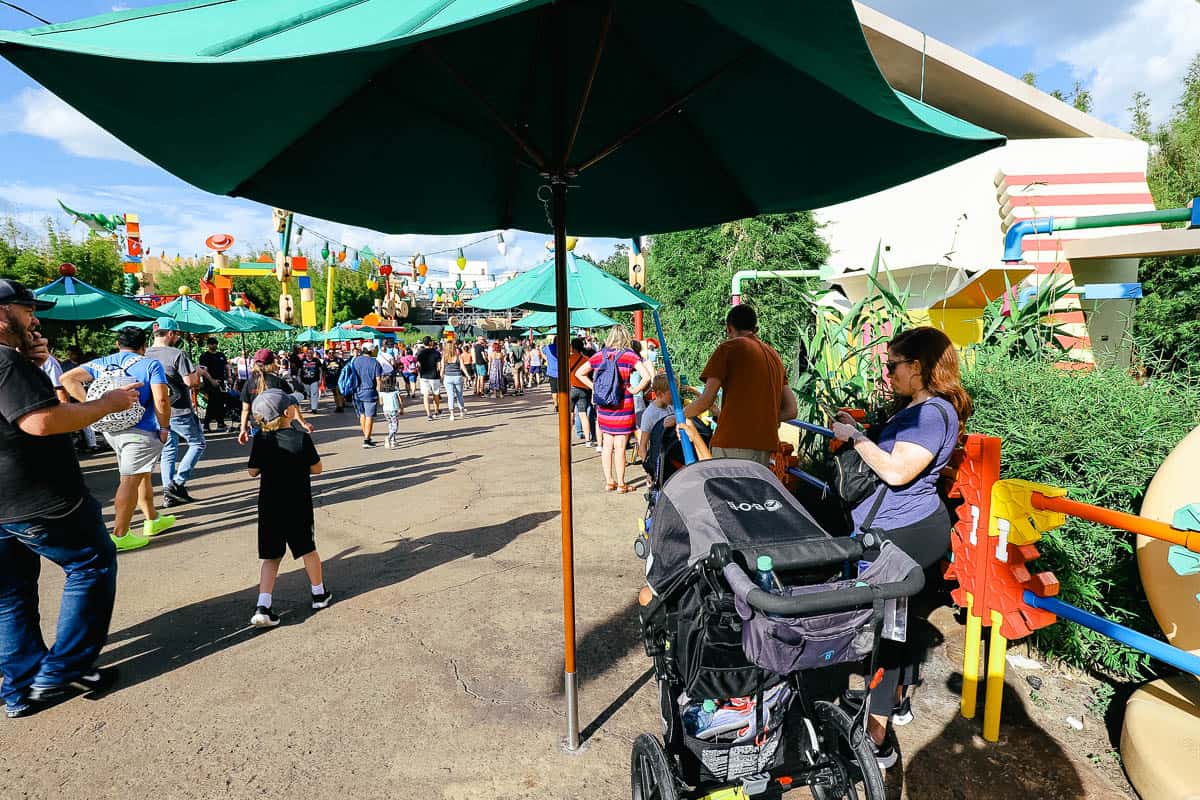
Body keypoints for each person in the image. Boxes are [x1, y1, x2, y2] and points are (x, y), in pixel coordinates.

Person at [0, 279, 144, 718]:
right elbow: (40, 422)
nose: (35, 318)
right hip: (38, 497)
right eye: (26, 310)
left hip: (6, 504)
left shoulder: (13, 361)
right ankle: (62, 671)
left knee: (10, 594)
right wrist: (109, 404)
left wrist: (32, 364)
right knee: (91, 564)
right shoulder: (4, 361)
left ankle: (20, 689)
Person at [829, 326, 970, 768]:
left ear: (919, 367)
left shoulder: (930, 414)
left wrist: (856, 439)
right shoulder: (919, 407)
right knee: (902, 621)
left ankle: (878, 738)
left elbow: (895, 472)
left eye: (893, 365)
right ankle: (900, 703)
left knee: (886, 629)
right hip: (905, 528)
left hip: (901, 533)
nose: (887, 373)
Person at [61, 325, 176, 552]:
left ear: (117, 344)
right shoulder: (150, 364)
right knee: (130, 479)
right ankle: (120, 534)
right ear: (143, 346)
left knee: (141, 473)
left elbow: (67, 378)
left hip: (111, 429)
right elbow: (161, 400)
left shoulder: (100, 363)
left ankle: (152, 518)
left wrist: (92, 404)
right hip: (141, 430)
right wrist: (165, 427)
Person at [245, 390, 332, 628]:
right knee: (308, 549)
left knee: (271, 556)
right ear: (287, 412)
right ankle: (318, 593)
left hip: (270, 505)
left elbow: (252, 471)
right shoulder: (300, 438)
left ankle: (263, 605)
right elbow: (317, 469)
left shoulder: (261, 439)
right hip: (297, 503)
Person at [683, 305, 796, 465]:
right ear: (755, 328)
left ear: (729, 329)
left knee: (726, 490)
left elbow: (706, 400)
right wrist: (760, 418)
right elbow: (791, 410)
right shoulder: (774, 356)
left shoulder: (728, 349)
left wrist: (678, 416)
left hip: (732, 442)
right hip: (765, 445)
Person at [574, 325, 653, 492]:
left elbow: (579, 373)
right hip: (623, 405)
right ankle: (621, 483)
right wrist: (635, 389)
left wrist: (595, 387)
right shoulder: (629, 356)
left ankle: (609, 481)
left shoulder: (599, 355)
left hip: (604, 406)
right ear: (625, 337)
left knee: (607, 445)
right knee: (620, 446)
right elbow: (646, 376)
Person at [145, 318, 207, 509]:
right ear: (170, 334)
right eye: (177, 334)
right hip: (179, 408)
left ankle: (168, 494)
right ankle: (177, 483)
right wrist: (197, 371)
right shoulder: (177, 354)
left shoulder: (144, 354)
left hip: (155, 410)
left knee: (168, 451)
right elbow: (191, 383)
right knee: (197, 443)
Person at [238, 349, 313, 445]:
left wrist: (243, 429)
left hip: (258, 426)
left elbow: (245, 410)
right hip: (281, 425)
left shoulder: (249, 383)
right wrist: (303, 423)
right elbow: (293, 404)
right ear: (273, 362)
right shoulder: (278, 382)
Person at [350, 340, 384, 448]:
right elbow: (378, 380)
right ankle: (366, 440)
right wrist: (380, 395)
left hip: (357, 391)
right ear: (370, 351)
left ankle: (366, 436)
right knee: (369, 416)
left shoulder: (355, 361)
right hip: (369, 391)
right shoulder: (375, 362)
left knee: (362, 414)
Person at [637, 374, 675, 462]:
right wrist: (648, 466)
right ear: (659, 394)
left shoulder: (671, 407)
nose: (675, 396)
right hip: (659, 456)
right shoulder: (649, 414)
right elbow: (643, 445)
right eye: (672, 393)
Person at [567, 337, 595, 447]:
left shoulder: (568, 359)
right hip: (583, 389)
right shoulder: (587, 360)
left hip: (571, 389)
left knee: (570, 415)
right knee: (583, 414)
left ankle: (568, 440)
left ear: (572, 347)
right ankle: (588, 440)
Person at [197, 338, 230, 433]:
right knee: (212, 403)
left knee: (219, 403)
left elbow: (226, 366)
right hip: (210, 383)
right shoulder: (204, 356)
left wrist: (229, 377)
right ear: (208, 345)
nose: (214, 345)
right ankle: (207, 424)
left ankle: (220, 423)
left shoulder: (221, 355)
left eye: (215, 343)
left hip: (221, 382)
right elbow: (204, 370)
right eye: (212, 344)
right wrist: (212, 380)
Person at [378, 358, 405, 449]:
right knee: (395, 426)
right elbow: (401, 400)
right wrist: (402, 408)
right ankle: (389, 437)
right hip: (394, 409)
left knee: (390, 424)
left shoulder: (382, 392)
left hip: (386, 410)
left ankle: (393, 440)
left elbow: (381, 402)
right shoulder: (395, 391)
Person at [416, 336, 443, 420]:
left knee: (426, 395)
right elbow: (439, 366)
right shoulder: (436, 353)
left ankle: (428, 414)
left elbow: (418, 365)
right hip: (434, 376)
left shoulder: (420, 353)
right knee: (436, 394)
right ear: (430, 342)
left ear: (424, 343)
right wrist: (440, 375)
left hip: (424, 376)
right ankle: (436, 410)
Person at [440, 342, 467, 420]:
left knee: (450, 396)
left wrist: (441, 378)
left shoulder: (444, 357)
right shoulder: (458, 356)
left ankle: (452, 414)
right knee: (459, 395)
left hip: (448, 377)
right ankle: (461, 411)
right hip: (458, 376)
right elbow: (462, 367)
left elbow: (442, 368)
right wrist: (467, 375)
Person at [297, 347, 324, 413]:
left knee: (314, 394)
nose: (310, 354)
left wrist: (320, 379)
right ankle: (312, 404)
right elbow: (299, 371)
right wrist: (299, 378)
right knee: (309, 394)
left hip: (314, 380)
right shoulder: (302, 361)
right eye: (308, 353)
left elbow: (320, 370)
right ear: (306, 354)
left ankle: (314, 408)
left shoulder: (316, 360)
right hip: (305, 380)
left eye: (311, 353)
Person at [542, 339, 559, 410]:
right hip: (562, 372)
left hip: (551, 371)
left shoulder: (548, 348)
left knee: (554, 390)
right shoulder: (562, 347)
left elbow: (542, 351)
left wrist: (546, 359)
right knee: (561, 390)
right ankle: (561, 403)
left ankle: (556, 405)